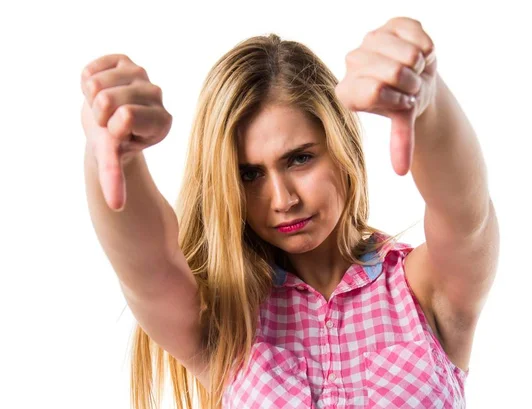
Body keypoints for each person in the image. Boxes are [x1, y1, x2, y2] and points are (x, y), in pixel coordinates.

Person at [81, 16, 499, 409]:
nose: (282, 199)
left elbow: (466, 215)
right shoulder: (225, 318)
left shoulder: (424, 289)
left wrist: (429, 100)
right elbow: (145, 264)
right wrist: (117, 150)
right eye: (249, 175)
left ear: (341, 147)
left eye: (299, 159)